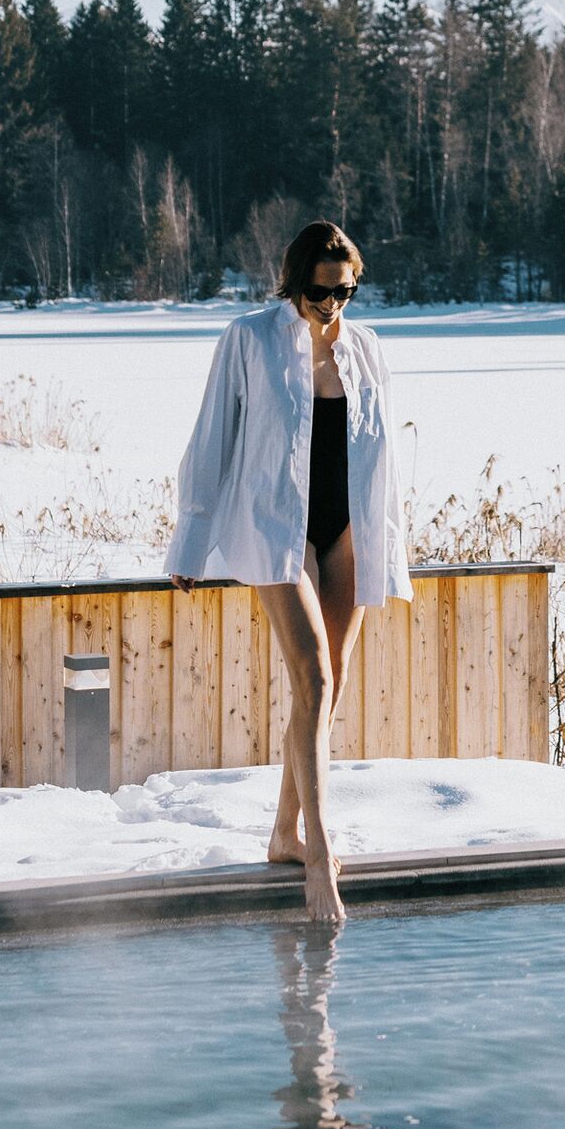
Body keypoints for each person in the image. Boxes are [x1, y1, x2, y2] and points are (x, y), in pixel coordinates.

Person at [168, 220, 409, 921]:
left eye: (347, 291)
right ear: (294, 279)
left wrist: (386, 543)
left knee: (321, 696)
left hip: (346, 530)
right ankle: (319, 858)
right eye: (321, 291)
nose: (334, 305)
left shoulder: (366, 349)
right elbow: (213, 436)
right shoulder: (250, 339)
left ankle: (283, 833)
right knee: (316, 677)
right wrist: (191, 541)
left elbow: (384, 457)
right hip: (275, 527)